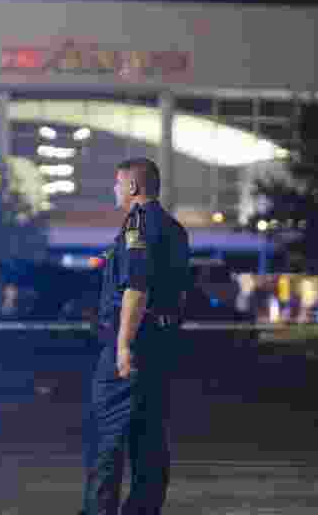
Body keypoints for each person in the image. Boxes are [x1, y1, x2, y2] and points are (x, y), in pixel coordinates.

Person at [80, 157, 190, 515]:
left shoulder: (138, 226)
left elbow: (136, 288)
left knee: (107, 439)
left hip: (133, 344)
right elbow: (179, 292)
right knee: (150, 439)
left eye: (117, 183)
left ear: (132, 186)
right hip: (162, 344)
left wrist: (123, 345)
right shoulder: (174, 228)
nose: (114, 189)